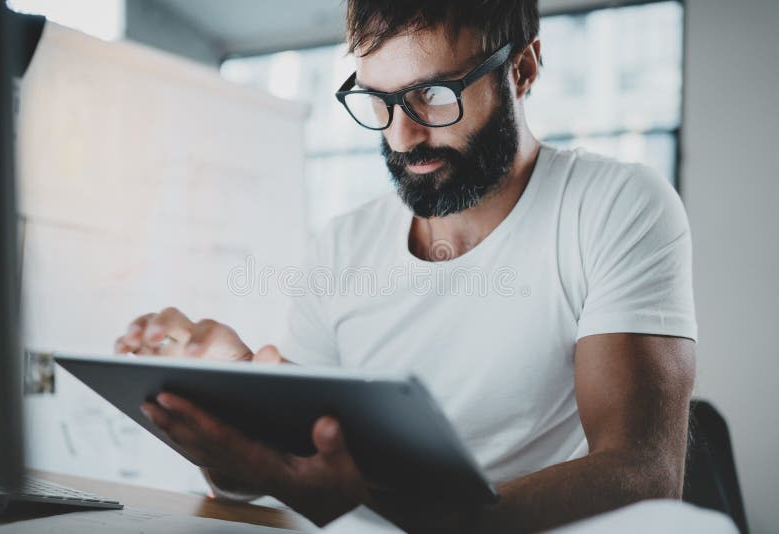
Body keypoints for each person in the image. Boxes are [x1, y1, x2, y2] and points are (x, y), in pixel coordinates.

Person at [114, 1, 697, 532]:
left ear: (522, 70)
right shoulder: (342, 247)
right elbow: (292, 474)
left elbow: (644, 475)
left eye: (436, 95)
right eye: (379, 99)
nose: (402, 135)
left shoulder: (616, 205)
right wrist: (229, 420)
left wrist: (384, 513)